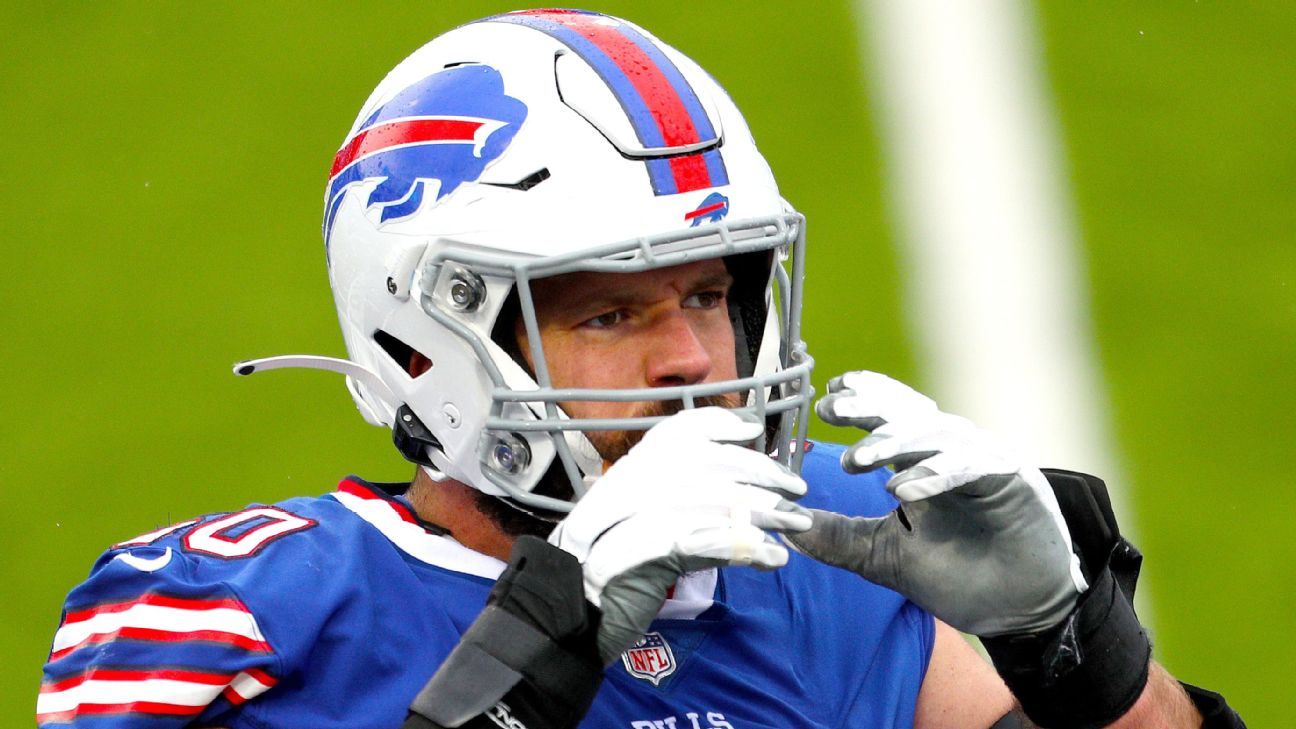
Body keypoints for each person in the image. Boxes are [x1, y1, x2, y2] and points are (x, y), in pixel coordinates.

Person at [38, 9, 1243, 729]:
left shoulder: (842, 550)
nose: (692, 359)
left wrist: (1074, 650)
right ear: (426, 340)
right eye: (611, 313)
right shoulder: (229, 609)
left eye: (711, 295)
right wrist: (524, 670)